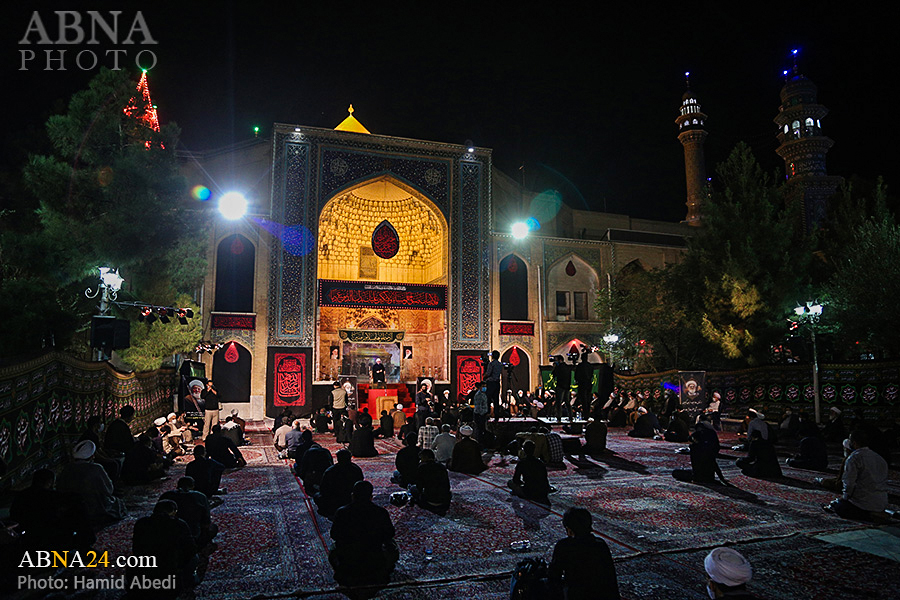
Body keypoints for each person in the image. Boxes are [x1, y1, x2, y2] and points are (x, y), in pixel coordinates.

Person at [329, 481, 398, 588]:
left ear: (352, 495)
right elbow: (389, 534)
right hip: (374, 562)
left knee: (333, 548)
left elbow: (334, 535)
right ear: (371, 497)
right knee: (392, 546)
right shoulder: (380, 512)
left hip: (349, 563)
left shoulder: (342, 513)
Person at [10, 468, 96, 550]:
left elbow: (14, 517)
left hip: (28, 538)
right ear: (50, 482)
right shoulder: (53, 496)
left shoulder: (21, 496)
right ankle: (85, 543)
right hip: (51, 537)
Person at [547, 507, 620, 600]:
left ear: (569, 529)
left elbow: (554, 576)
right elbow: (611, 578)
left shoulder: (564, 546)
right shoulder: (600, 544)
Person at [129, 500, 198, 594]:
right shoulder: (179, 524)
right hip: (170, 570)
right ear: (173, 511)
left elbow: (136, 548)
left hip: (144, 570)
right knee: (194, 558)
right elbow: (191, 549)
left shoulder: (141, 523)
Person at [824, 428, 888, 521]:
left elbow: (849, 483)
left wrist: (844, 498)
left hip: (863, 502)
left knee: (840, 507)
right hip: (882, 502)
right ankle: (876, 512)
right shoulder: (879, 458)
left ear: (854, 443)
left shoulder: (854, 458)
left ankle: (869, 515)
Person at [57, 440, 127, 525]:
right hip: (95, 507)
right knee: (117, 504)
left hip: (73, 508)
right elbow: (109, 490)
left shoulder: (67, 469)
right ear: (92, 456)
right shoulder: (96, 468)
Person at [160, 476, 218, 546]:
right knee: (213, 528)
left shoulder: (166, 495)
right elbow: (206, 524)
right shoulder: (200, 496)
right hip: (193, 536)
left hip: (166, 535)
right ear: (193, 486)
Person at [673, 415, 723, 484]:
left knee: (676, 473)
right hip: (709, 477)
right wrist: (722, 478)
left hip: (699, 477)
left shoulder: (695, 448)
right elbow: (714, 464)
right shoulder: (709, 446)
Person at [315, 449, 364, 518]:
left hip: (334, 500)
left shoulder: (331, 471)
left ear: (338, 459)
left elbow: (323, 488)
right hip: (350, 499)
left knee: (317, 496)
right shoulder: (356, 469)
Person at [410, 449, 451, 515]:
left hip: (429, 500)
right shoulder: (441, 467)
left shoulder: (422, 467)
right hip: (444, 502)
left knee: (412, 488)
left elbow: (419, 487)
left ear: (425, 457)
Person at [551, 355, 573, 421]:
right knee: (567, 402)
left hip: (560, 386)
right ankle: (570, 416)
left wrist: (555, 367)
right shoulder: (567, 367)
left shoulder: (559, 367)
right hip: (567, 387)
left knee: (559, 402)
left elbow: (553, 375)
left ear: (560, 360)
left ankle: (559, 416)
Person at [574, 350, 593, 416]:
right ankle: (587, 413)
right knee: (587, 399)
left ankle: (585, 414)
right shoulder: (590, 366)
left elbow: (576, 375)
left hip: (582, 384)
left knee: (584, 399)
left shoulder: (580, 366)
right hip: (588, 384)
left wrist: (577, 381)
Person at [485, 350, 503, 418]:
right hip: (497, 383)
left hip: (491, 383)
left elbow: (489, 373)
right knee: (496, 399)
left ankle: (488, 413)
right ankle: (496, 414)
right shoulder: (500, 364)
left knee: (488, 399)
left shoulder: (491, 364)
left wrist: (484, 376)